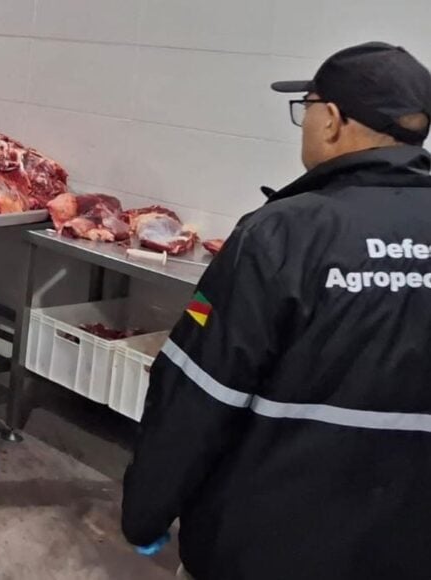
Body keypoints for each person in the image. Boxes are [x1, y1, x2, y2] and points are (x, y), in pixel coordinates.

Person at [121, 42, 431, 580]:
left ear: (331, 120)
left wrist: (145, 513)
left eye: (305, 107)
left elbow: (198, 393)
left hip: (266, 546)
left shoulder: (284, 233)